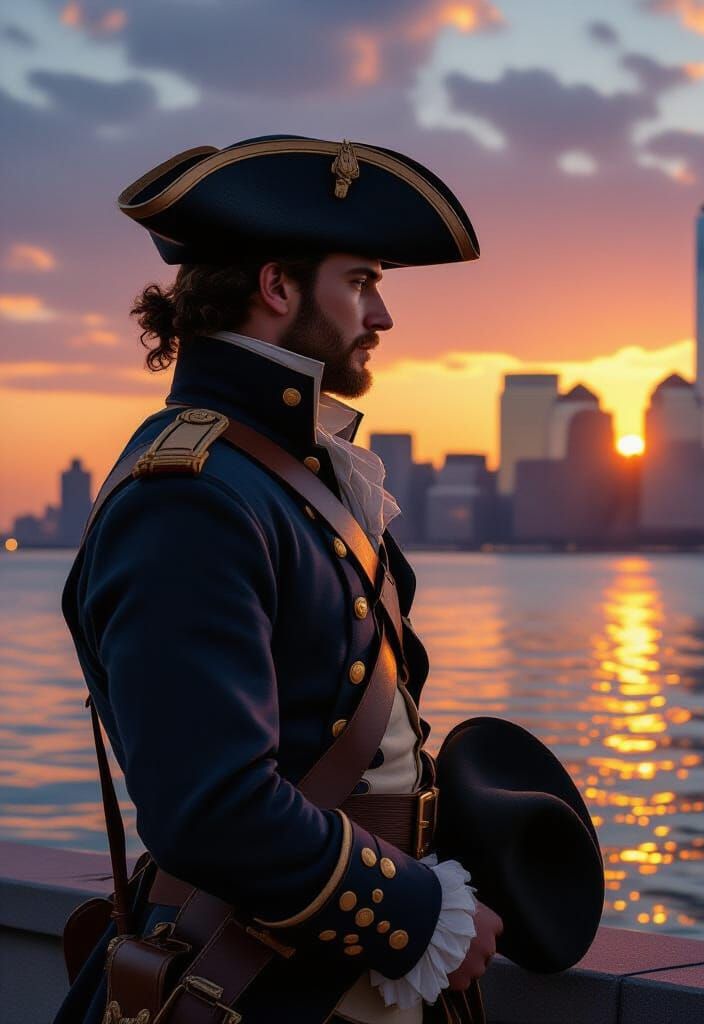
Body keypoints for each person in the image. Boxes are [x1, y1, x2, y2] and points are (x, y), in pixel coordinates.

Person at [57, 136, 502, 1024]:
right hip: (271, 982)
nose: (381, 316)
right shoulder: (189, 498)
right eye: (362, 281)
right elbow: (211, 807)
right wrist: (420, 914)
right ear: (277, 287)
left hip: (339, 963)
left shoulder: (272, 474)